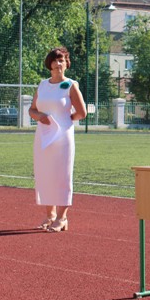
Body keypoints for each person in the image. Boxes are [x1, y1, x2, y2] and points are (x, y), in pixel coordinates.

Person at [28, 46, 87, 232]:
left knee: (62, 175)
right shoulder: (42, 85)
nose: (58, 63)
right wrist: (40, 117)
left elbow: (82, 112)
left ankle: (62, 218)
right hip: (43, 136)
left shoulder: (70, 85)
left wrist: (65, 121)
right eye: (55, 60)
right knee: (45, 175)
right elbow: (32, 109)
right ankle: (50, 215)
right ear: (49, 64)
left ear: (67, 63)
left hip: (63, 137)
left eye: (61, 60)